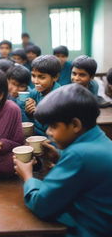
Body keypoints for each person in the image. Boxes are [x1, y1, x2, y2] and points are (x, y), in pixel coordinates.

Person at [14, 83, 112, 237]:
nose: (49, 132)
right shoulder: (101, 139)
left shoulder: (78, 155)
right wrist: (60, 156)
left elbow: (42, 205)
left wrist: (27, 176)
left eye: (53, 126)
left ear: (75, 124)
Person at [25, 55, 61, 136]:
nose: (35, 81)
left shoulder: (60, 97)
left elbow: (54, 127)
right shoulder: (34, 92)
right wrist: (28, 112)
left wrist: (38, 113)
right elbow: (30, 118)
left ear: (55, 77)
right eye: (33, 76)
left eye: (42, 77)